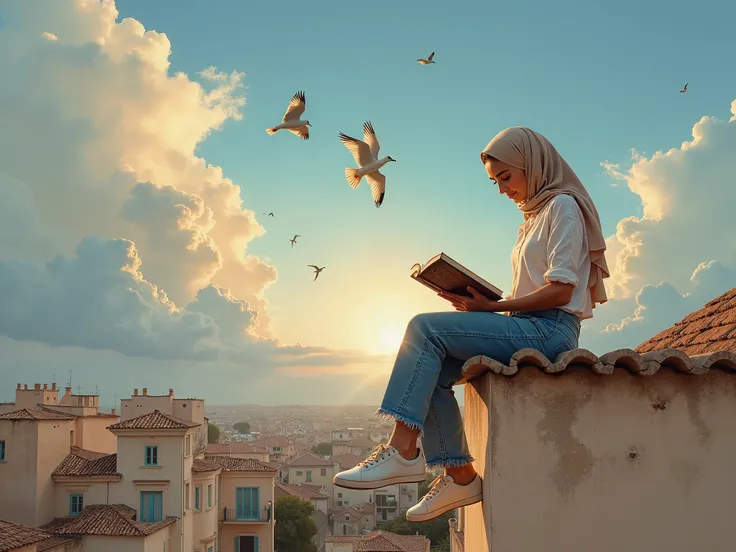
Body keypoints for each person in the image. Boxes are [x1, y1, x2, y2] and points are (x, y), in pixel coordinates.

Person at [333, 126, 610, 522]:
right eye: (495, 181)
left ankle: (403, 450)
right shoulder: (532, 217)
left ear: (532, 165)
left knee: (424, 329)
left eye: (506, 177)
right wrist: (488, 303)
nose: (501, 189)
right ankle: (461, 476)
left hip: (550, 331)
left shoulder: (563, 205)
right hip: (527, 323)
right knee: (435, 370)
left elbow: (561, 292)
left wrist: (494, 307)